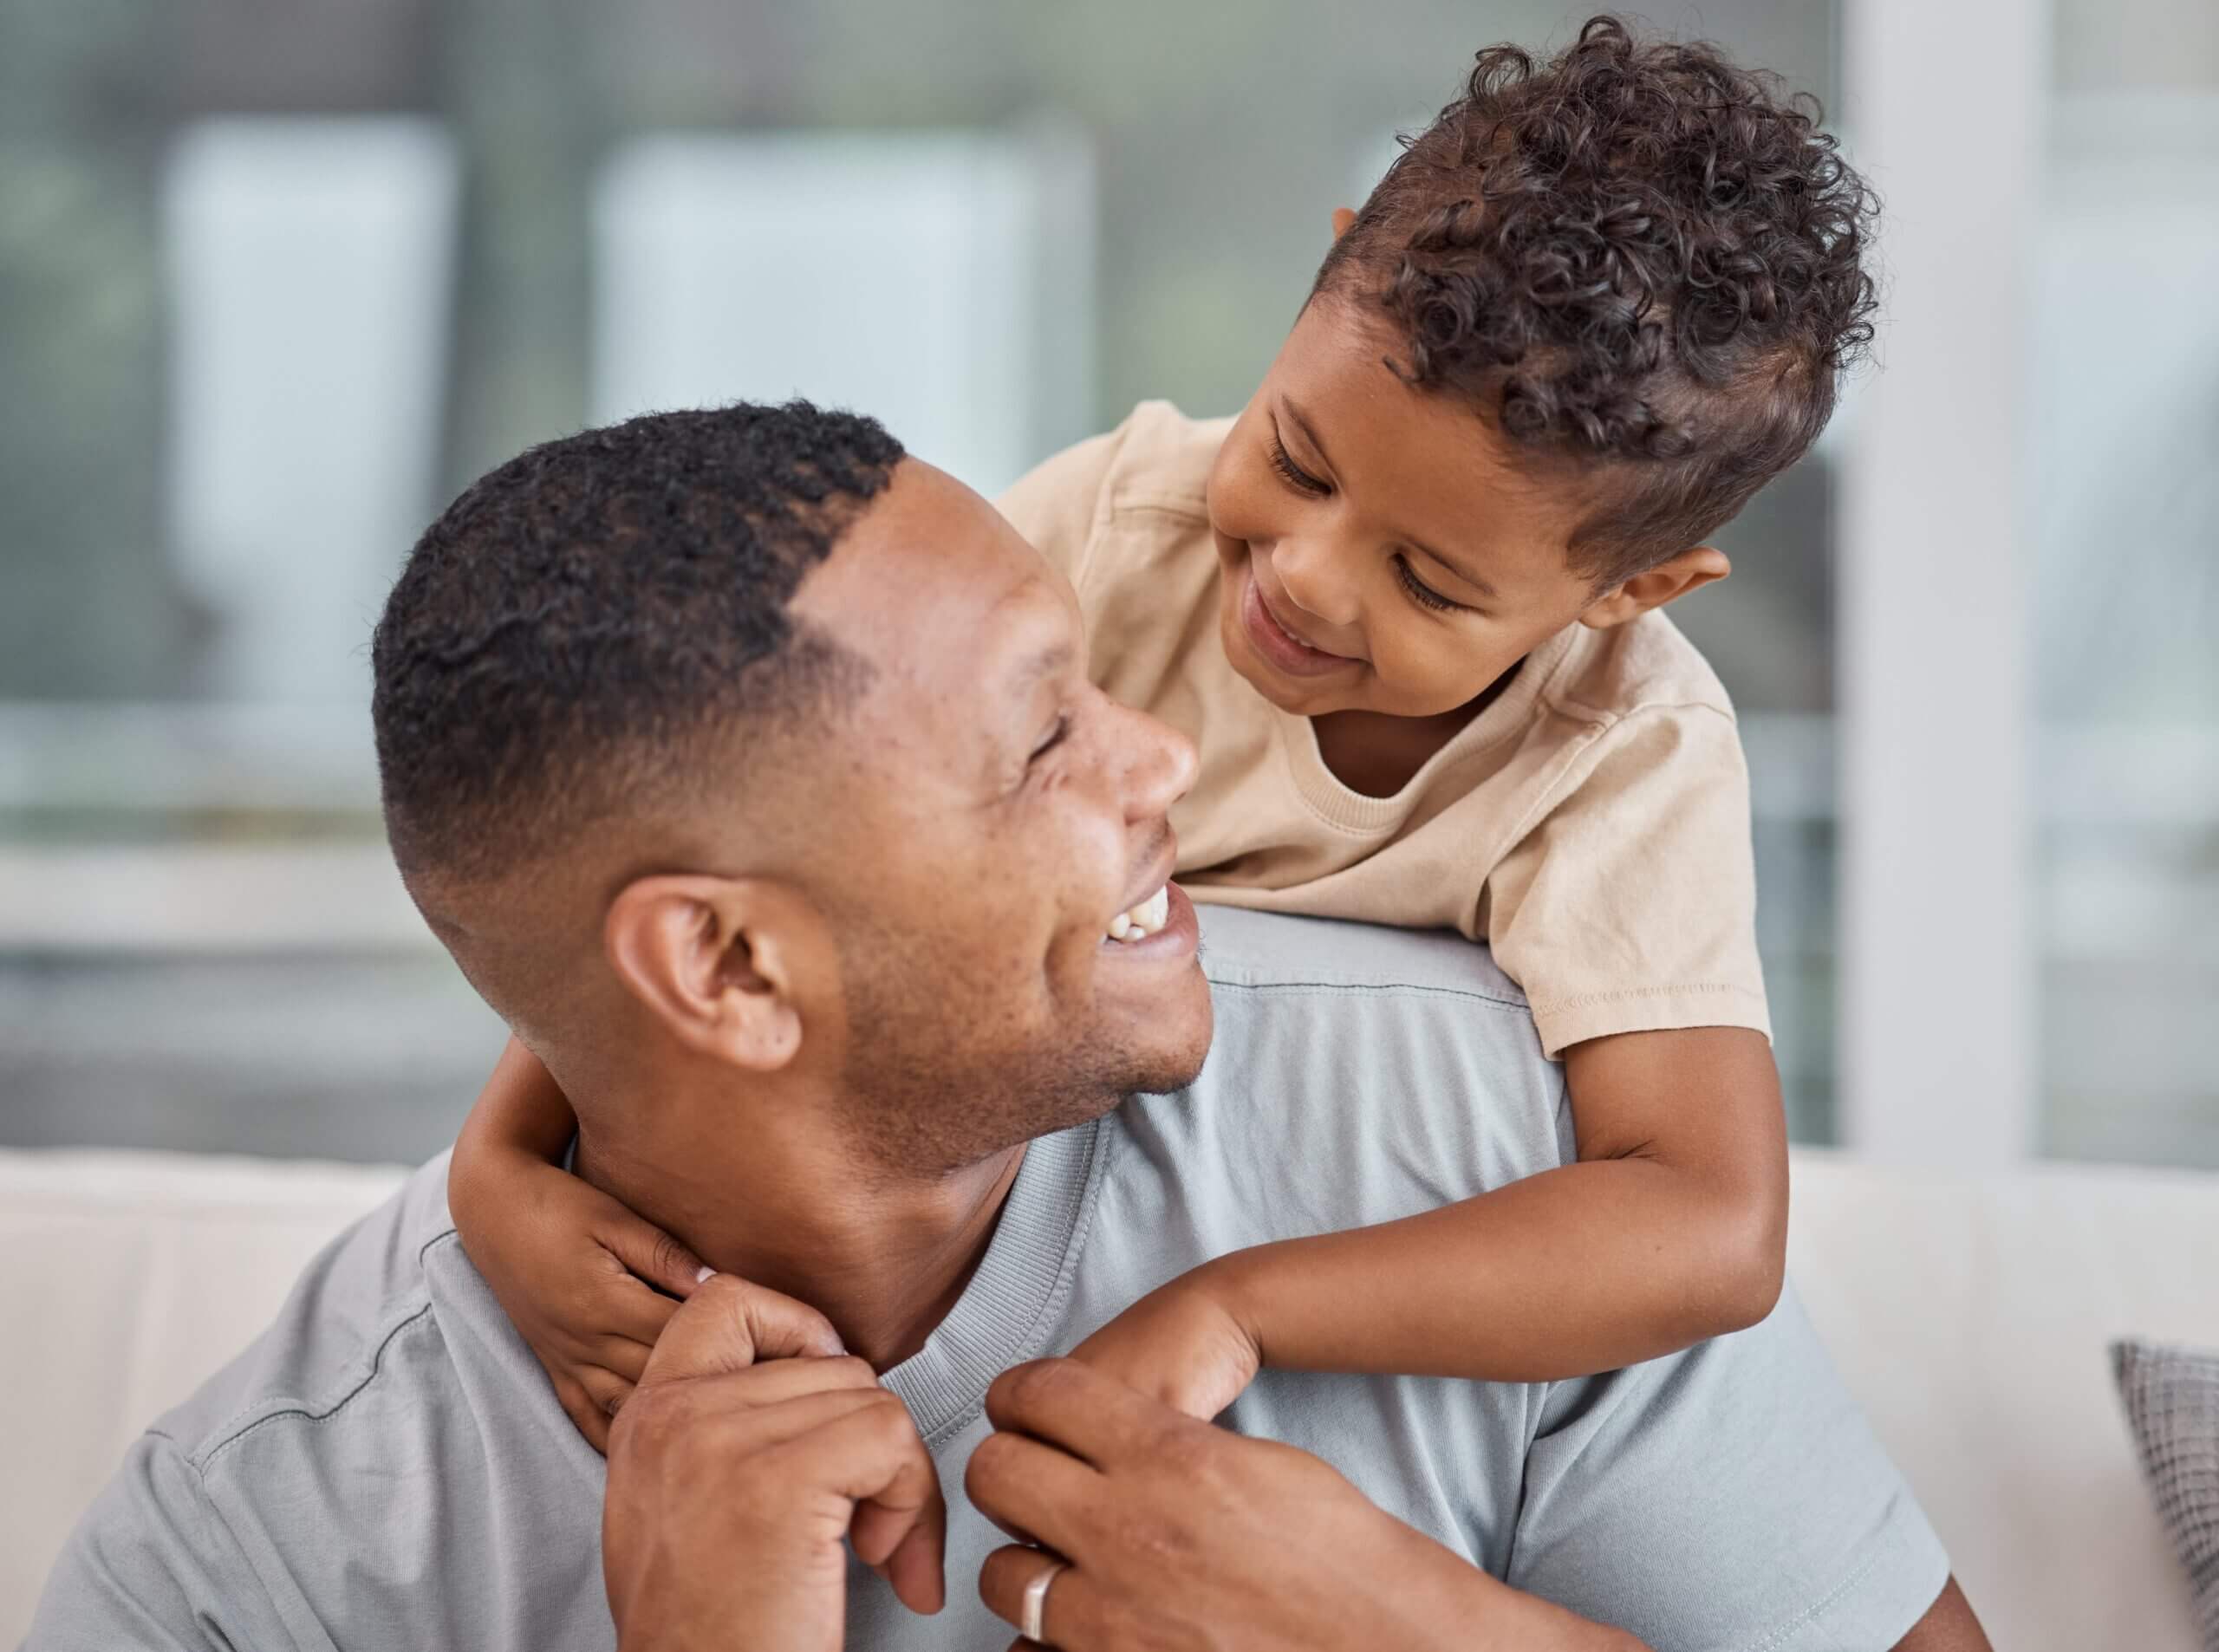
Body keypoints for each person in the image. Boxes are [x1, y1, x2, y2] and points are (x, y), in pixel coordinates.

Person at [28, 402, 1985, 1649]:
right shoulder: (261, 1549)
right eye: (1046, 730)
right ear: (722, 972)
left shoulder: (1471, 1130)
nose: (1169, 764)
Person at [447, 15, 1869, 1440]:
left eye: (1429, 578)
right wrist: (500, 1170)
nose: (1303, 577)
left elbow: (1711, 1221)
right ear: (1320, 275)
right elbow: (764, 840)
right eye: (1297, 458)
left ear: (1629, 590)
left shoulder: (1627, 752)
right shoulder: (1116, 534)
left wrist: (1242, 1304)